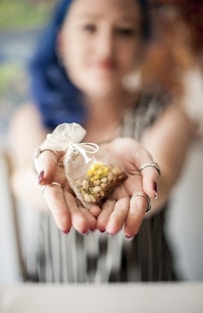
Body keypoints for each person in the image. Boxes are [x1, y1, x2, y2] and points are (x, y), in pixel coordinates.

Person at [8, 0, 194, 283]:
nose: (106, 47)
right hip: (55, 295)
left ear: (142, 45)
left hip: (150, 294)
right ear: (62, 40)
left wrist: (143, 183)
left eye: (125, 30)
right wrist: (47, 178)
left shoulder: (169, 114)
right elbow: (21, 179)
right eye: (89, 27)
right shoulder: (33, 116)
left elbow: (161, 179)